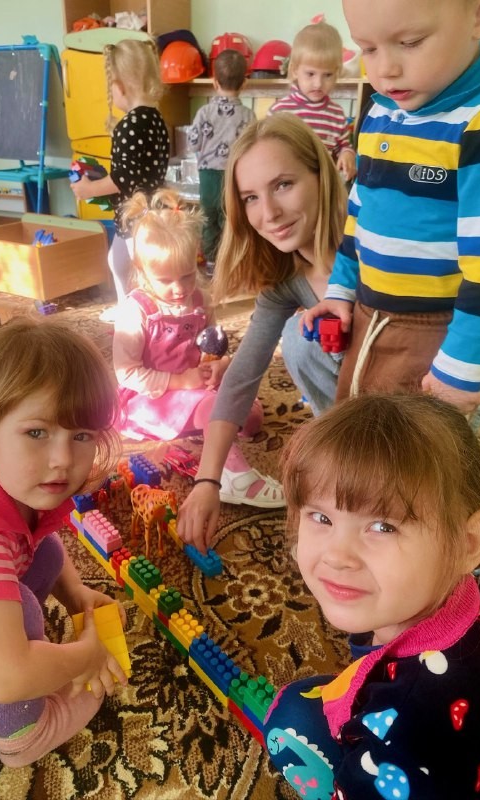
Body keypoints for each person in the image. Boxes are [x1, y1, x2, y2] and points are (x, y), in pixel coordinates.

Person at [263, 392, 480, 797]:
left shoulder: (405, 720)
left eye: (383, 526)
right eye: (321, 517)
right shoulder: (473, 592)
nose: (337, 555)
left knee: (291, 715)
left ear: (468, 543)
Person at [0, 317, 127, 768]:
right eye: (37, 432)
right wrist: (84, 657)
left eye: (81, 436)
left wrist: (74, 593)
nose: (62, 460)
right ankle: (23, 736)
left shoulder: (5, 478)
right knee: (20, 609)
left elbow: (40, 541)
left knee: (45, 548)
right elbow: (3, 678)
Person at [303, 0, 480, 416]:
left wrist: (460, 369)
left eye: (410, 42)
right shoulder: (381, 110)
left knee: (415, 449)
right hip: (369, 315)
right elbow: (360, 215)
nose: (385, 69)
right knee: (359, 428)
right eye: (368, 49)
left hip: (435, 332)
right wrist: (340, 291)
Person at [177, 114, 348, 552]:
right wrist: (208, 480)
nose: (268, 213)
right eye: (251, 197)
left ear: (321, 174)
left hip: (423, 405)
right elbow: (242, 377)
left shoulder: (377, 250)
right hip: (358, 409)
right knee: (300, 335)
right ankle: (348, 442)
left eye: (283, 185)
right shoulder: (287, 280)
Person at [113, 189, 282, 508]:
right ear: (141, 269)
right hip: (151, 400)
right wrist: (180, 381)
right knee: (216, 408)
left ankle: (213, 422)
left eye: (188, 275)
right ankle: (233, 476)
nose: (179, 289)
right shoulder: (136, 311)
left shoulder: (201, 300)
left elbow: (213, 346)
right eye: (165, 280)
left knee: (252, 416)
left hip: (197, 388)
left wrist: (220, 365)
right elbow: (128, 374)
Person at [70, 38, 170, 321]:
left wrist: (89, 188)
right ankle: (129, 308)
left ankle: (145, 315)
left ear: (121, 86)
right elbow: (136, 171)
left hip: (135, 213)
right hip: (149, 207)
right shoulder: (156, 119)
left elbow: (123, 178)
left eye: (111, 87)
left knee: (140, 268)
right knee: (118, 261)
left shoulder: (130, 124)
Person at [188, 49, 256, 274]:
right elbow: (253, 149)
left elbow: (193, 143)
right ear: (244, 83)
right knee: (230, 219)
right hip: (235, 175)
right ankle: (230, 261)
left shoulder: (204, 112)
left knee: (208, 218)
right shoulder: (248, 115)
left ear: (215, 82)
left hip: (208, 174)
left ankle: (211, 262)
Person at [268, 22, 356, 181]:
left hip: (321, 186)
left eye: (327, 75)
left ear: (337, 72)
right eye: (310, 74)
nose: (318, 84)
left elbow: (343, 146)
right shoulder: (279, 112)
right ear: (295, 70)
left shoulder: (336, 114)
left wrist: (347, 154)